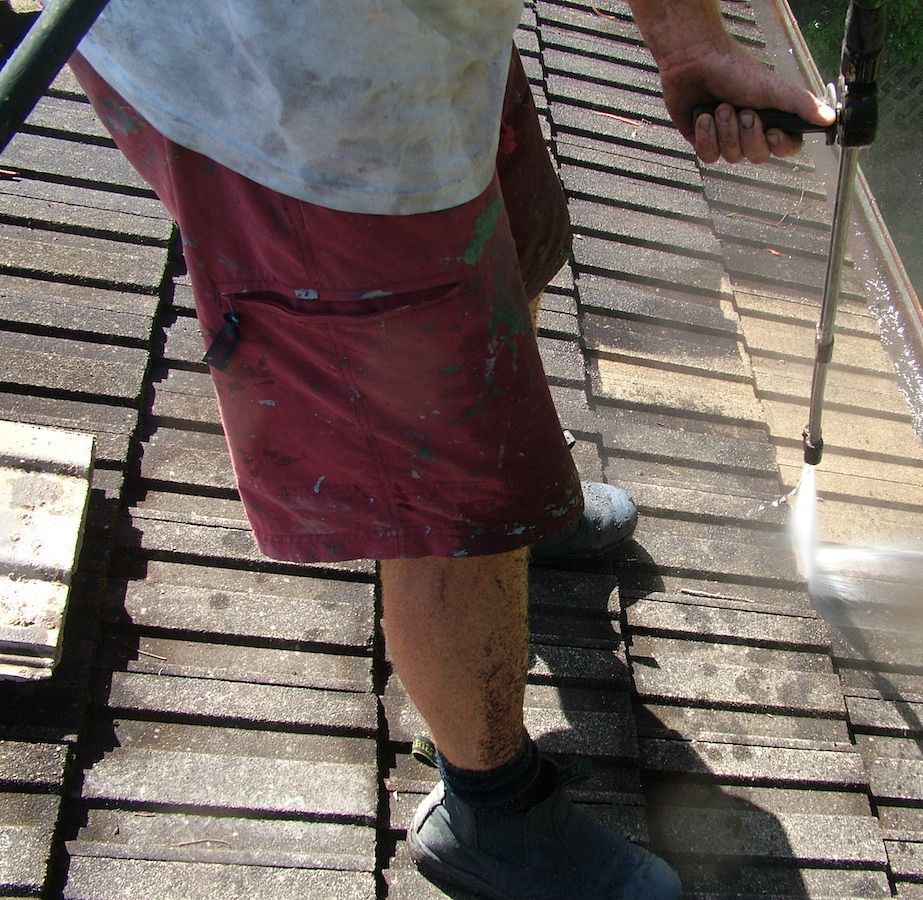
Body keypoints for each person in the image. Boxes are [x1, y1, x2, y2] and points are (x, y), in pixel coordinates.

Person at [67, 1, 834, 895]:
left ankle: (513, 510)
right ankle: (490, 812)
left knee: (521, 228)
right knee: (445, 483)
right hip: (290, 87)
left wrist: (691, 43)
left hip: (416, 40)